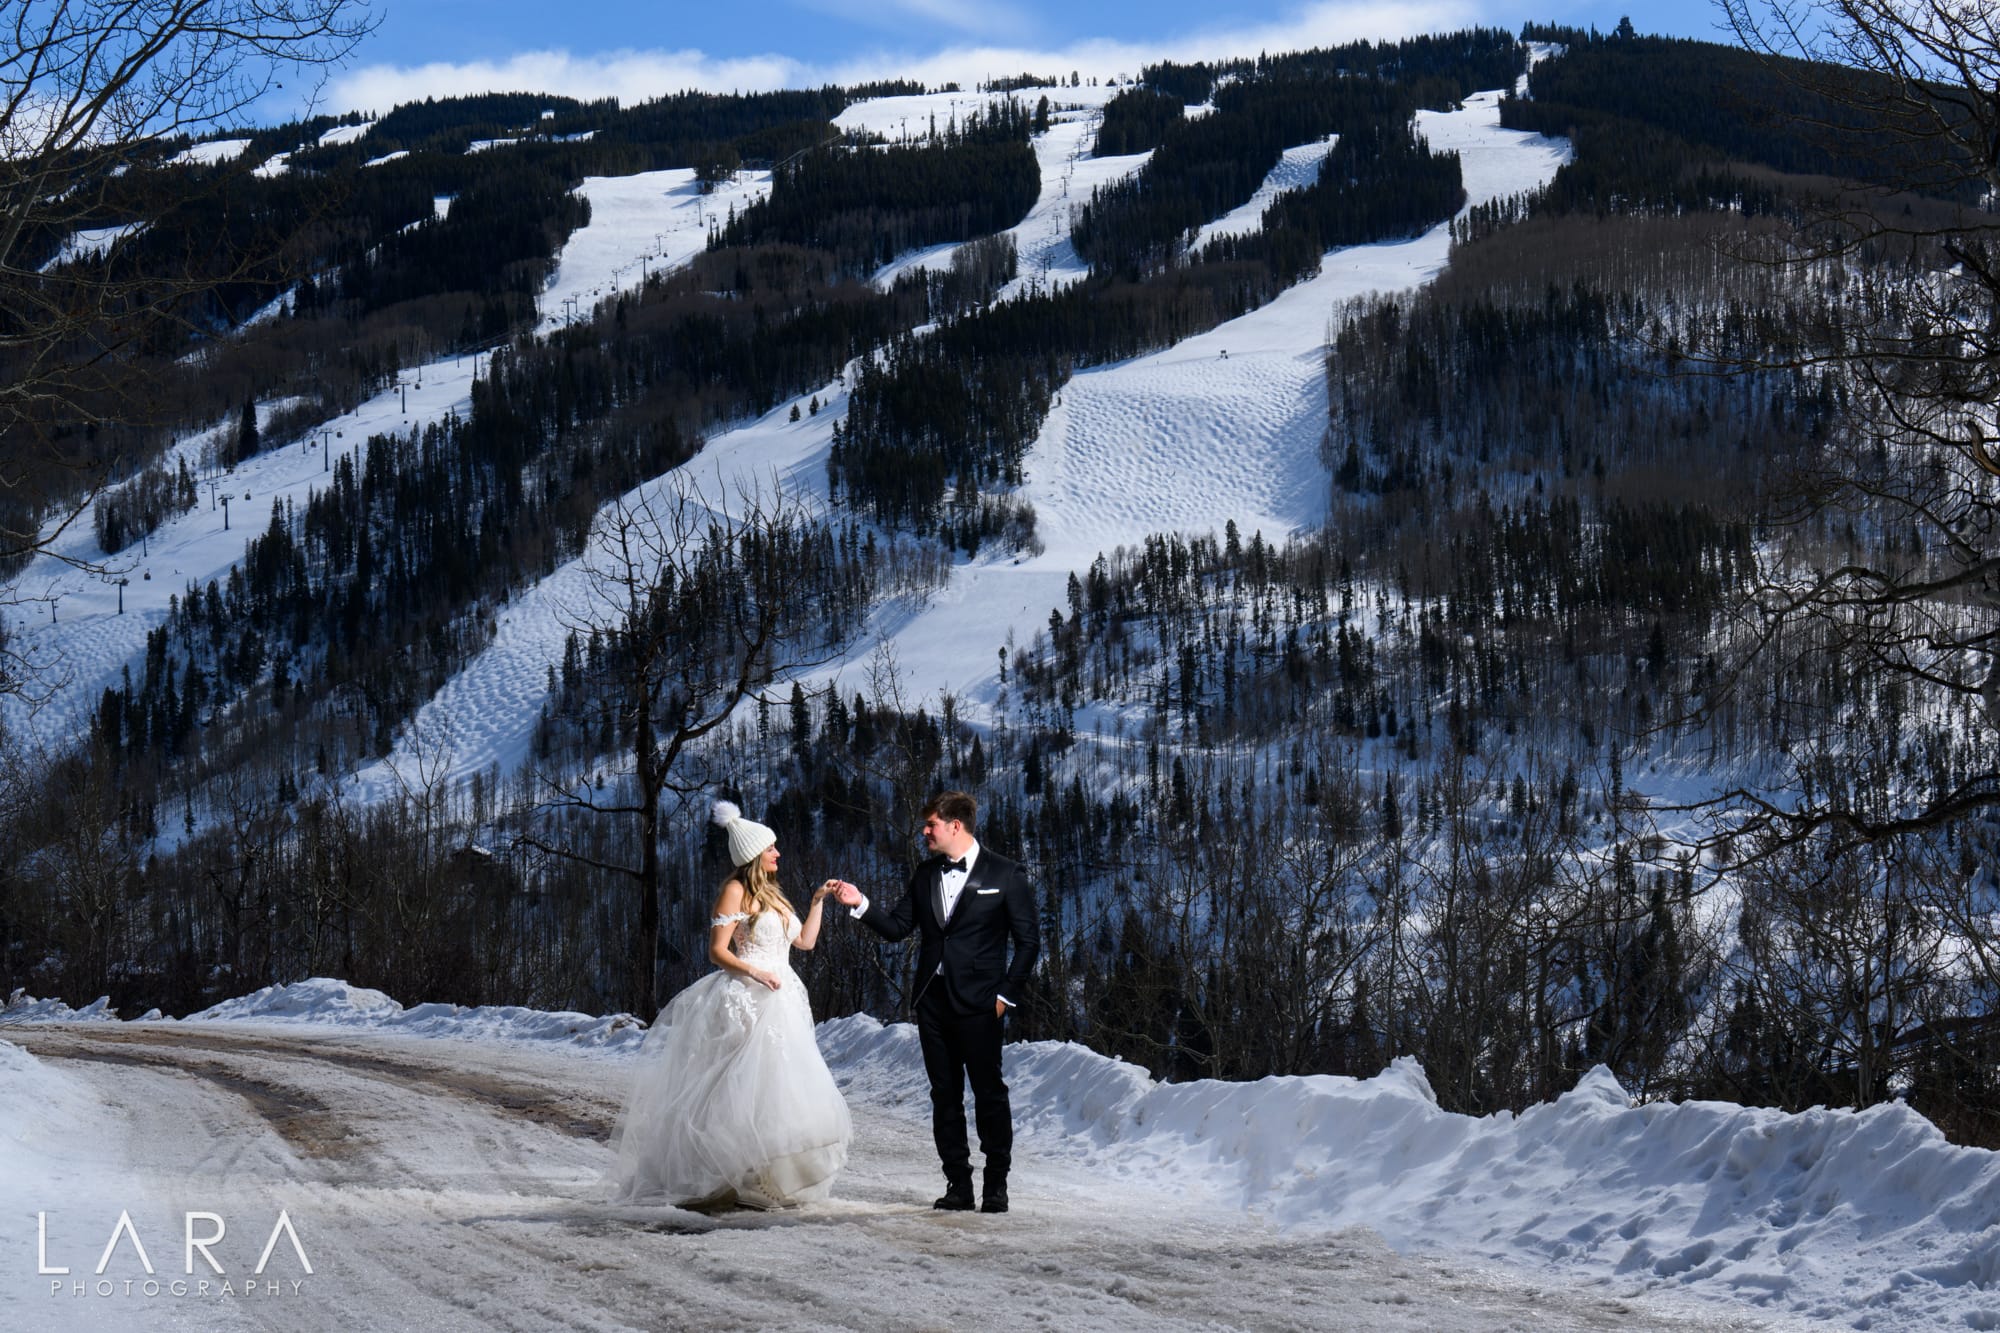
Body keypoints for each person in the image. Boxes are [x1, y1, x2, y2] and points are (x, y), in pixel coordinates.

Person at [599, 800, 852, 1210]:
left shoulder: (773, 894)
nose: (778, 854)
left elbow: (804, 942)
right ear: (754, 854)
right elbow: (718, 951)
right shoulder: (735, 891)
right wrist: (754, 973)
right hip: (748, 999)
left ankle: (766, 1177)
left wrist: (819, 900)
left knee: (778, 1088)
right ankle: (724, 1173)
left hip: (783, 997)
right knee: (737, 1088)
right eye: (771, 849)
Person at [835, 791, 1038, 1214]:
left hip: (983, 1005)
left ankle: (996, 1186)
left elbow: (1028, 943)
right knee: (944, 1095)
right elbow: (896, 928)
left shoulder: (1006, 872)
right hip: (933, 1002)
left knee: (989, 1094)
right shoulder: (925, 874)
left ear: (955, 826)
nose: (924, 832)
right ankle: (958, 1186)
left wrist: (1005, 996)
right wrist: (861, 904)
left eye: (930, 825)